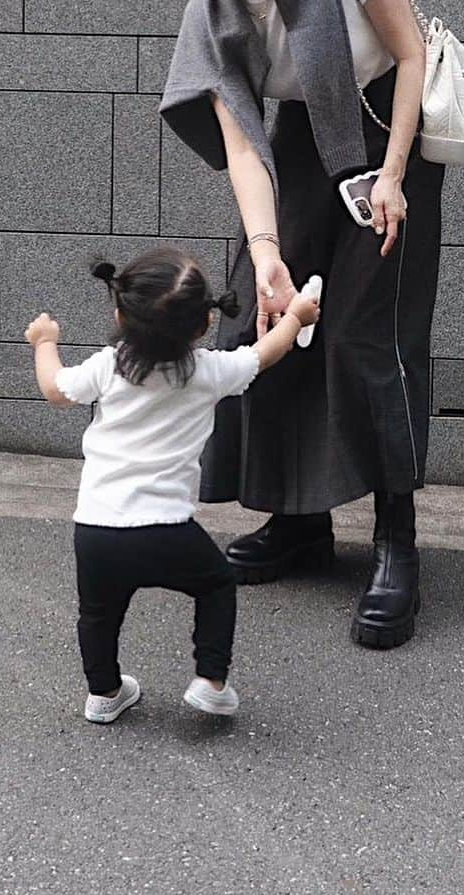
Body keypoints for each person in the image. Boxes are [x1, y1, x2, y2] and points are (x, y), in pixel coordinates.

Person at [158, 0, 444, 651]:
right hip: (296, 151)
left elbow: (414, 49)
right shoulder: (209, 15)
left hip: (388, 134)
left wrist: (392, 178)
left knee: (362, 336)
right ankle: (298, 520)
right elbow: (245, 146)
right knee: (263, 316)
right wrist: (267, 248)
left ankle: (395, 541)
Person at [24, 245, 319, 724]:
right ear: (203, 325)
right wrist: (298, 317)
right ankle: (210, 681)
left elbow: (55, 389)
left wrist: (44, 342)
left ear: (120, 314)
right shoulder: (207, 372)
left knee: (98, 614)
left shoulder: (109, 366)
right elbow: (266, 354)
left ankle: (104, 693)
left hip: (97, 528)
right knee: (218, 584)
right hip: (166, 529)